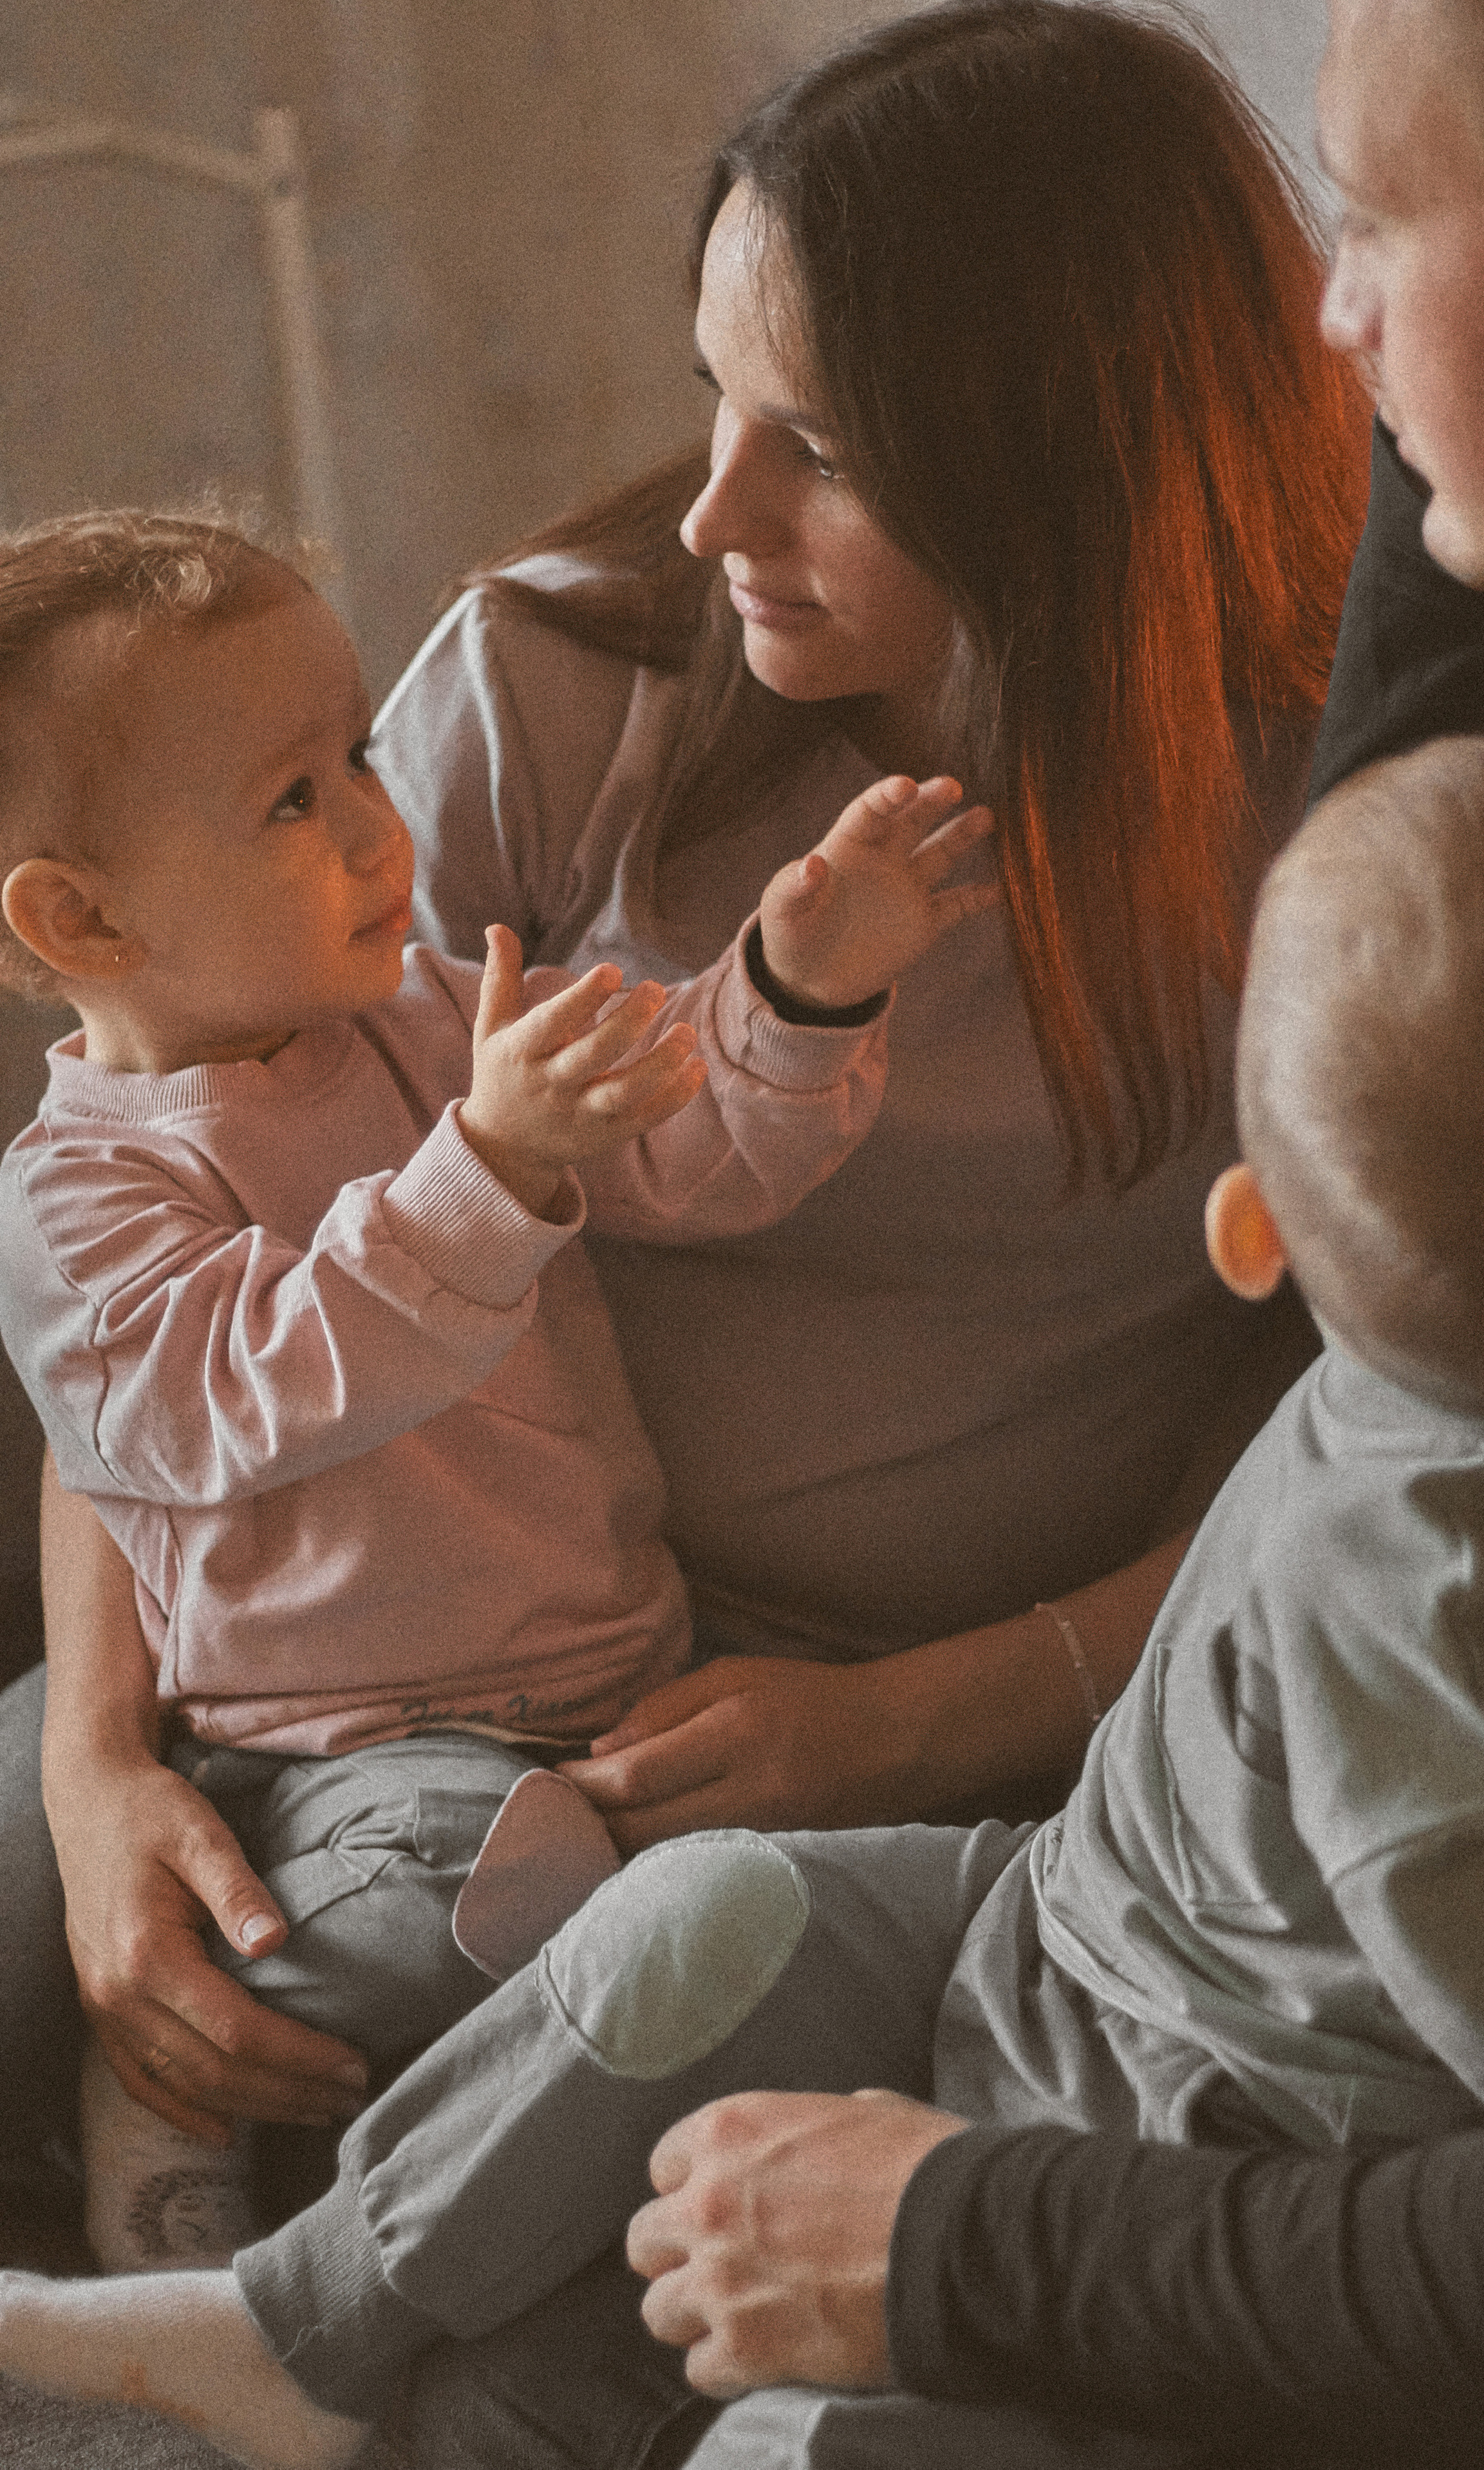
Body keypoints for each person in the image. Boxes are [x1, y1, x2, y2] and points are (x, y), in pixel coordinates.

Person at [0, 0, 1371, 2227]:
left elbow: (1347, 1433)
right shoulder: (565, 679)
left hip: (913, 1721)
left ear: (1063, 452)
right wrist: (90, 1767)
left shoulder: (1346, 823)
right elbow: (163, 1229)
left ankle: (300, 2315)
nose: (716, 503)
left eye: (818, 442)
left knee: (651, 2013)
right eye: (713, 393)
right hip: (330, 1664)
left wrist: (925, 1717)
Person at [11, 725, 1484, 2470]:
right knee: (696, 1917)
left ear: (1252, 1236)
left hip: (1185, 2132)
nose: (359, 811)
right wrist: (96, 1756)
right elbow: (138, 1405)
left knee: (686, 2428)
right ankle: (299, 2328)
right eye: (294, 779)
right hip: (1039, 1911)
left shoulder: (1442, 1628)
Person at [0, 507, 993, 2271]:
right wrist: (485, 1162)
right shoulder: (77, 1193)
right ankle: (178, 2082)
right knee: (479, 1883)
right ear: (82, 916)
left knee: (635, 1905)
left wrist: (796, 985)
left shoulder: (429, 1023)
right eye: (290, 802)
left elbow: (683, 1140)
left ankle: (310, 2182)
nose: (380, 825)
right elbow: (232, 1401)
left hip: (606, 1709)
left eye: (361, 752)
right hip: (315, 1753)